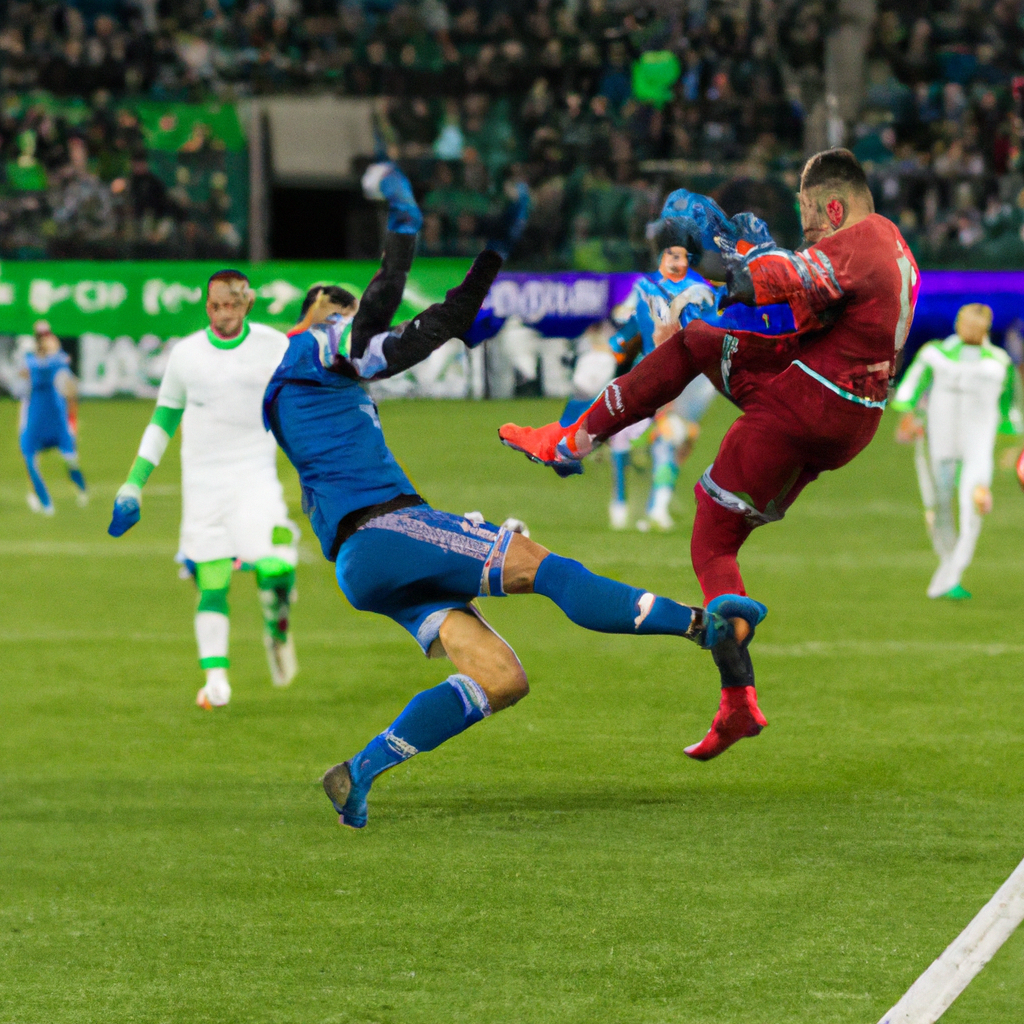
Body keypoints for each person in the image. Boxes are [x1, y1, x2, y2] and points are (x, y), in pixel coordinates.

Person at [261, 163, 766, 829]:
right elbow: (382, 313)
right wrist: (403, 220)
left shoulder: (306, 387)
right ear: (317, 318)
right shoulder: (309, 353)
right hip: (386, 530)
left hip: (364, 564)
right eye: (343, 314)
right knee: (540, 564)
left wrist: (491, 256)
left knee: (501, 677)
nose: (357, 325)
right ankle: (702, 628)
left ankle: (358, 774)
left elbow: (430, 326)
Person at [500, 149, 920, 760]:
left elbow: (755, 284)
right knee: (717, 528)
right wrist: (762, 254)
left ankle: (572, 440)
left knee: (696, 356)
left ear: (834, 207)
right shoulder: (894, 251)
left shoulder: (863, 240)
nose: (809, 233)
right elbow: (810, 302)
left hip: (805, 396)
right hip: (847, 418)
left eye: (810, 221)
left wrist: (731, 243)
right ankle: (738, 702)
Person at [108, 269, 300, 709]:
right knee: (211, 582)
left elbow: (301, 404)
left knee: (276, 570)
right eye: (214, 305)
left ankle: (278, 625)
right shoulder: (187, 355)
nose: (221, 313)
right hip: (203, 489)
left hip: (255, 481)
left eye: (230, 305)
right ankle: (216, 681)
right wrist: (133, 483)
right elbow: (163, 420)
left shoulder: (275, 346)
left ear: (246, 303)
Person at [892, 303, 1021, 599]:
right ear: (958, 324)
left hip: (978, 446)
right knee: (939, 506)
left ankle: (950, 575)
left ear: (986, 327)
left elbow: (1008, 413)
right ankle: (948, 567)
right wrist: (909, 419)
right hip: (939, 444)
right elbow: (911, 390)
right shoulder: (934, 355)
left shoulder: (999, 363)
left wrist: (1010, 449)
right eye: (967, 323)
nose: (972, 329)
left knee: (973, 506)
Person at [19, 320, 88, 514]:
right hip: (32, 407)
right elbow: (23, 375)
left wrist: (71, 418)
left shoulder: (55, 355)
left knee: (70, 456)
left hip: (53, 410)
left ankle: (81, 489)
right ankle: (37, 495)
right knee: (29, 454)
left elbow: (70, 387)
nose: (43, 338)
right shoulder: (28, 352)